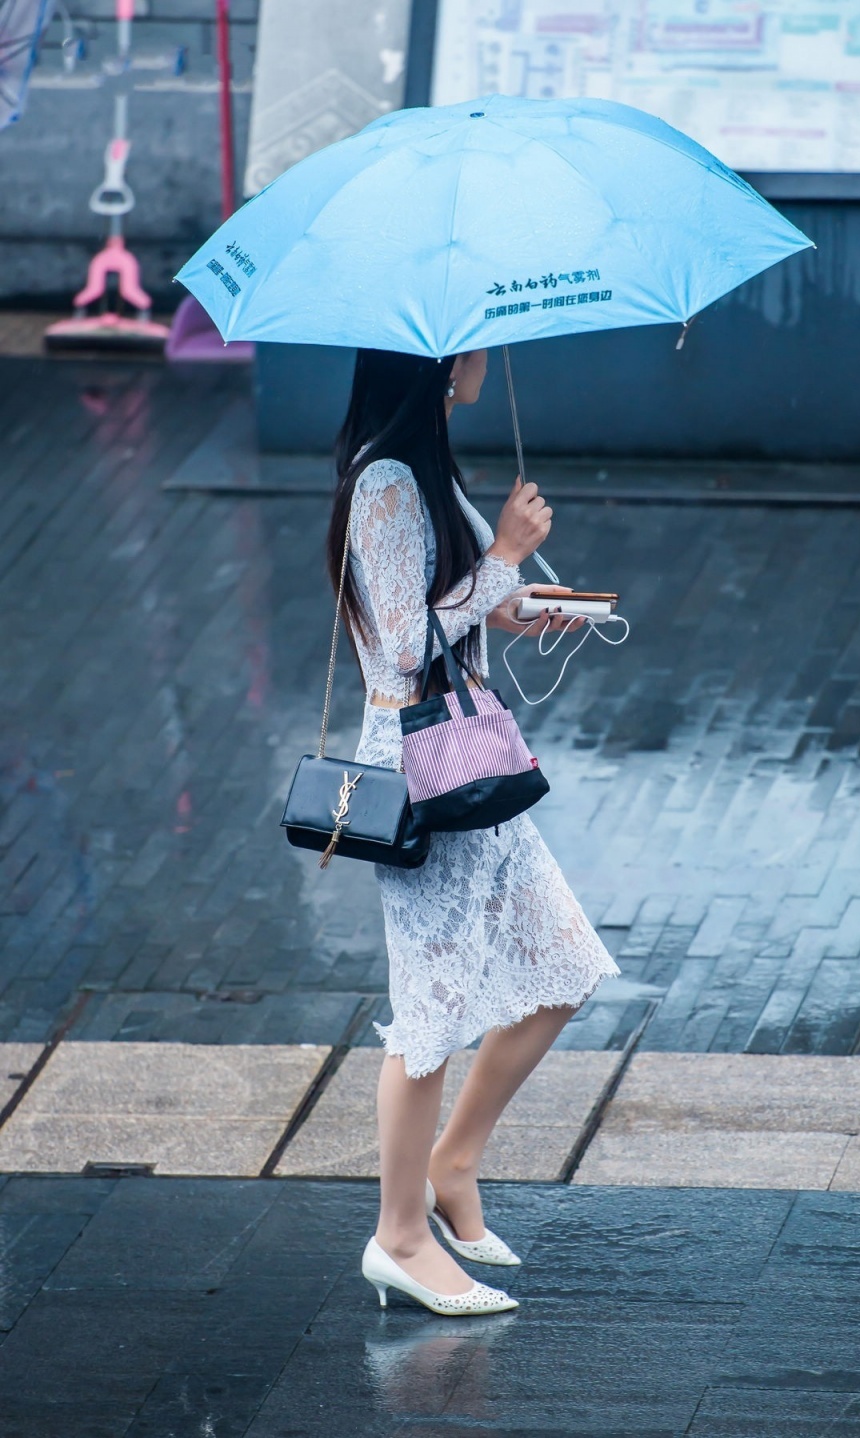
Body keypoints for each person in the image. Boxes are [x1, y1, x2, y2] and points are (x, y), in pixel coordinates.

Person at [327, 347, 620, 1316]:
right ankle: (400, 1237)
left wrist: (539, 607)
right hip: (421, 771)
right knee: (429, 1017)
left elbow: (464, 609)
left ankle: (455, 1160)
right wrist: (502, 550)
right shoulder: (383, 478)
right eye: (479, 339)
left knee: (564, 969)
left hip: (473, 755)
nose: (491, 355)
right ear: (440, 356)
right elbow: (406, 643)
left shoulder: (428, 461)